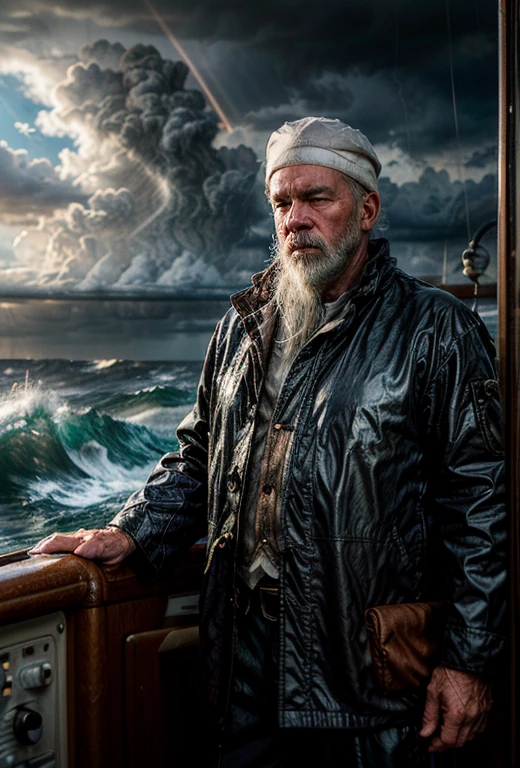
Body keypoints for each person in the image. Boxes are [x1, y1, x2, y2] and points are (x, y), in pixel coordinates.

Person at [31, 117, 506, 767]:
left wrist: (470, 661)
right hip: (243, 659)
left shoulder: (436, 329)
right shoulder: (241, 325)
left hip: (368, 671)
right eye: (282, 202)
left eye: (318, 199)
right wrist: (132, 530)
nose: (296, 219)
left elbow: (483, 503)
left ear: (366, 209)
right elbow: (200, 453)